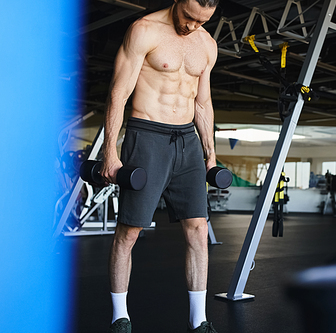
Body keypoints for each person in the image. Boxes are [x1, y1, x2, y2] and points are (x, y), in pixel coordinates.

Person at [99, 0, 219, 332]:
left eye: (202, 21)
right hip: (147, 134)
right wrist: (111, 152)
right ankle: (119, 316)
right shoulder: (144, 30)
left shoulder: (206, 44)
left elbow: (202, 102)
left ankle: (200, 320)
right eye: (189, 17)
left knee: (198, 229)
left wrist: (210, 153)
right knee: (129, 231)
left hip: (188, 142)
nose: (193, 25)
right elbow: (119, 93)